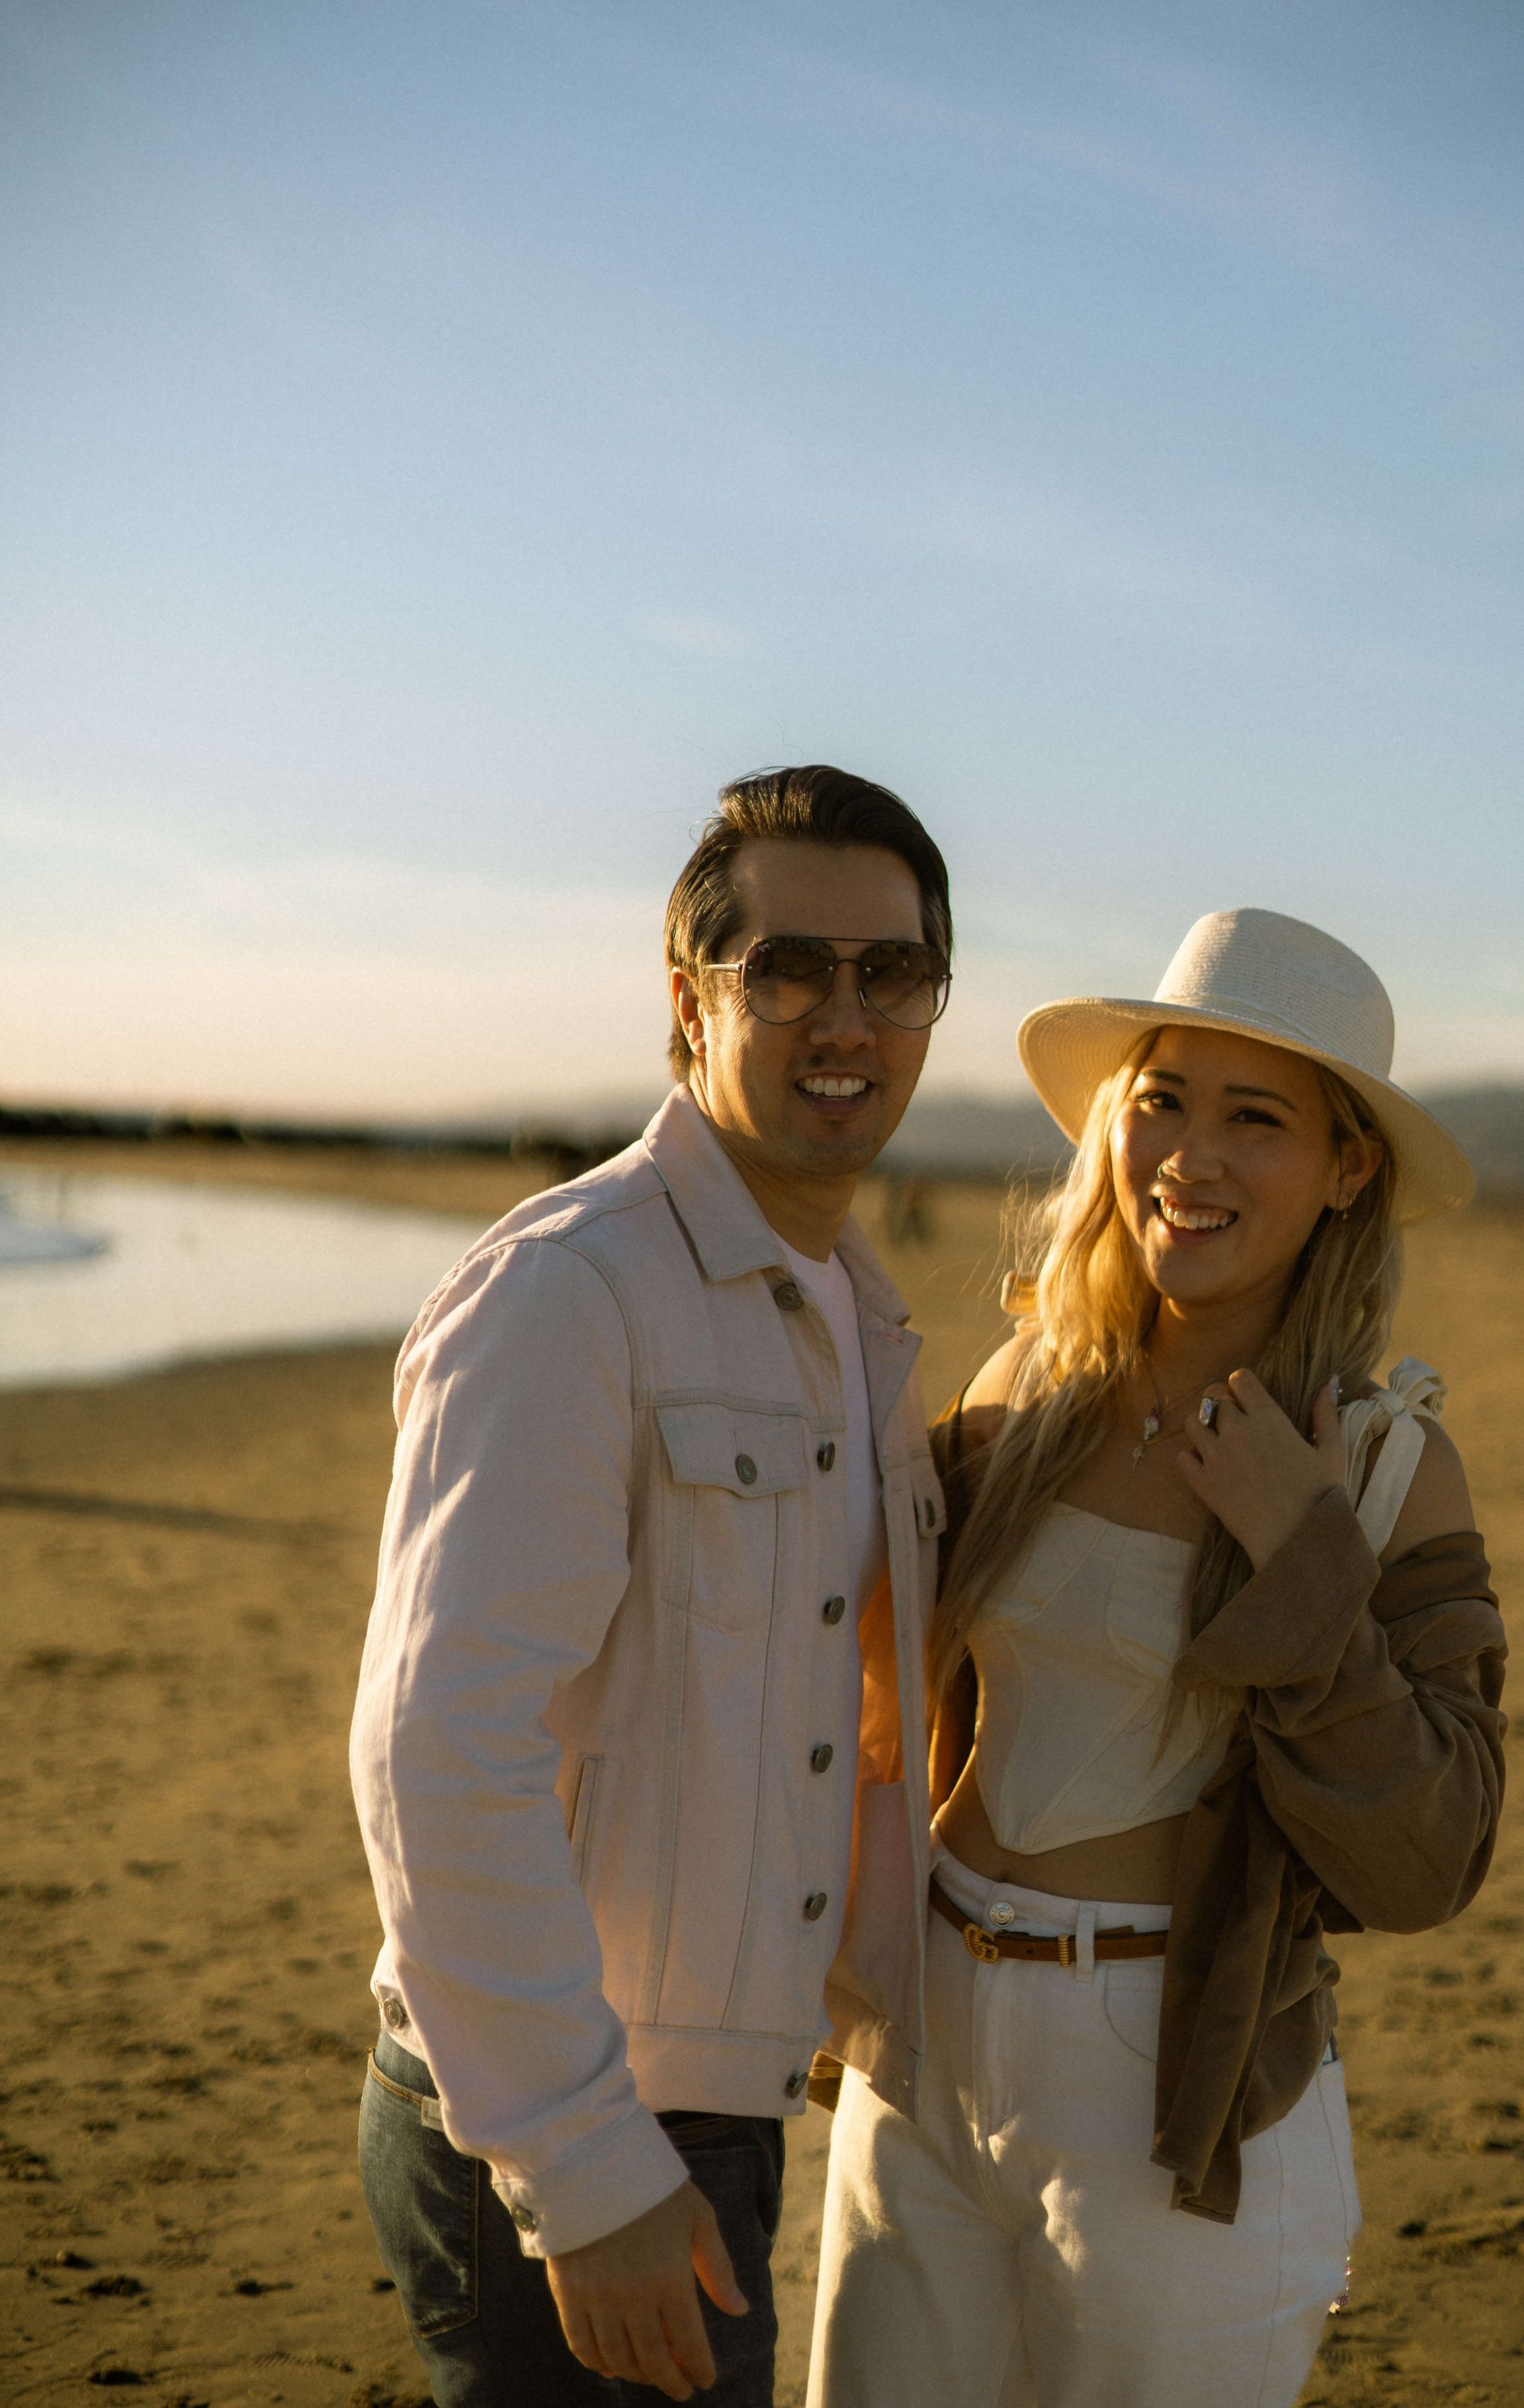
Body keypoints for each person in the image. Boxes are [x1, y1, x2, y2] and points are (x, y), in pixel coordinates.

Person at [809, 906, 1508, 2408]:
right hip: (923, 2035)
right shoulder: (1026, 1386)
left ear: (1348, 1168)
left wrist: (1302, 1556)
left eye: (1255, 1117)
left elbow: (1433, 1853)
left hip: (1170, 2084)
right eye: (1162, 1101)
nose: (1189, 1155)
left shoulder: (1383, 1467)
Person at [351, 765, 956, 2406]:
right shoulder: (570, 1291)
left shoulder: (850, 1316)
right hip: (573, 2122)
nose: (847, 1015)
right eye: (789, 968)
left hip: (719, 2105)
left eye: (893, 971)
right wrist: (582, 2161)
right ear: (689, 1002)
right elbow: (436, 1745)